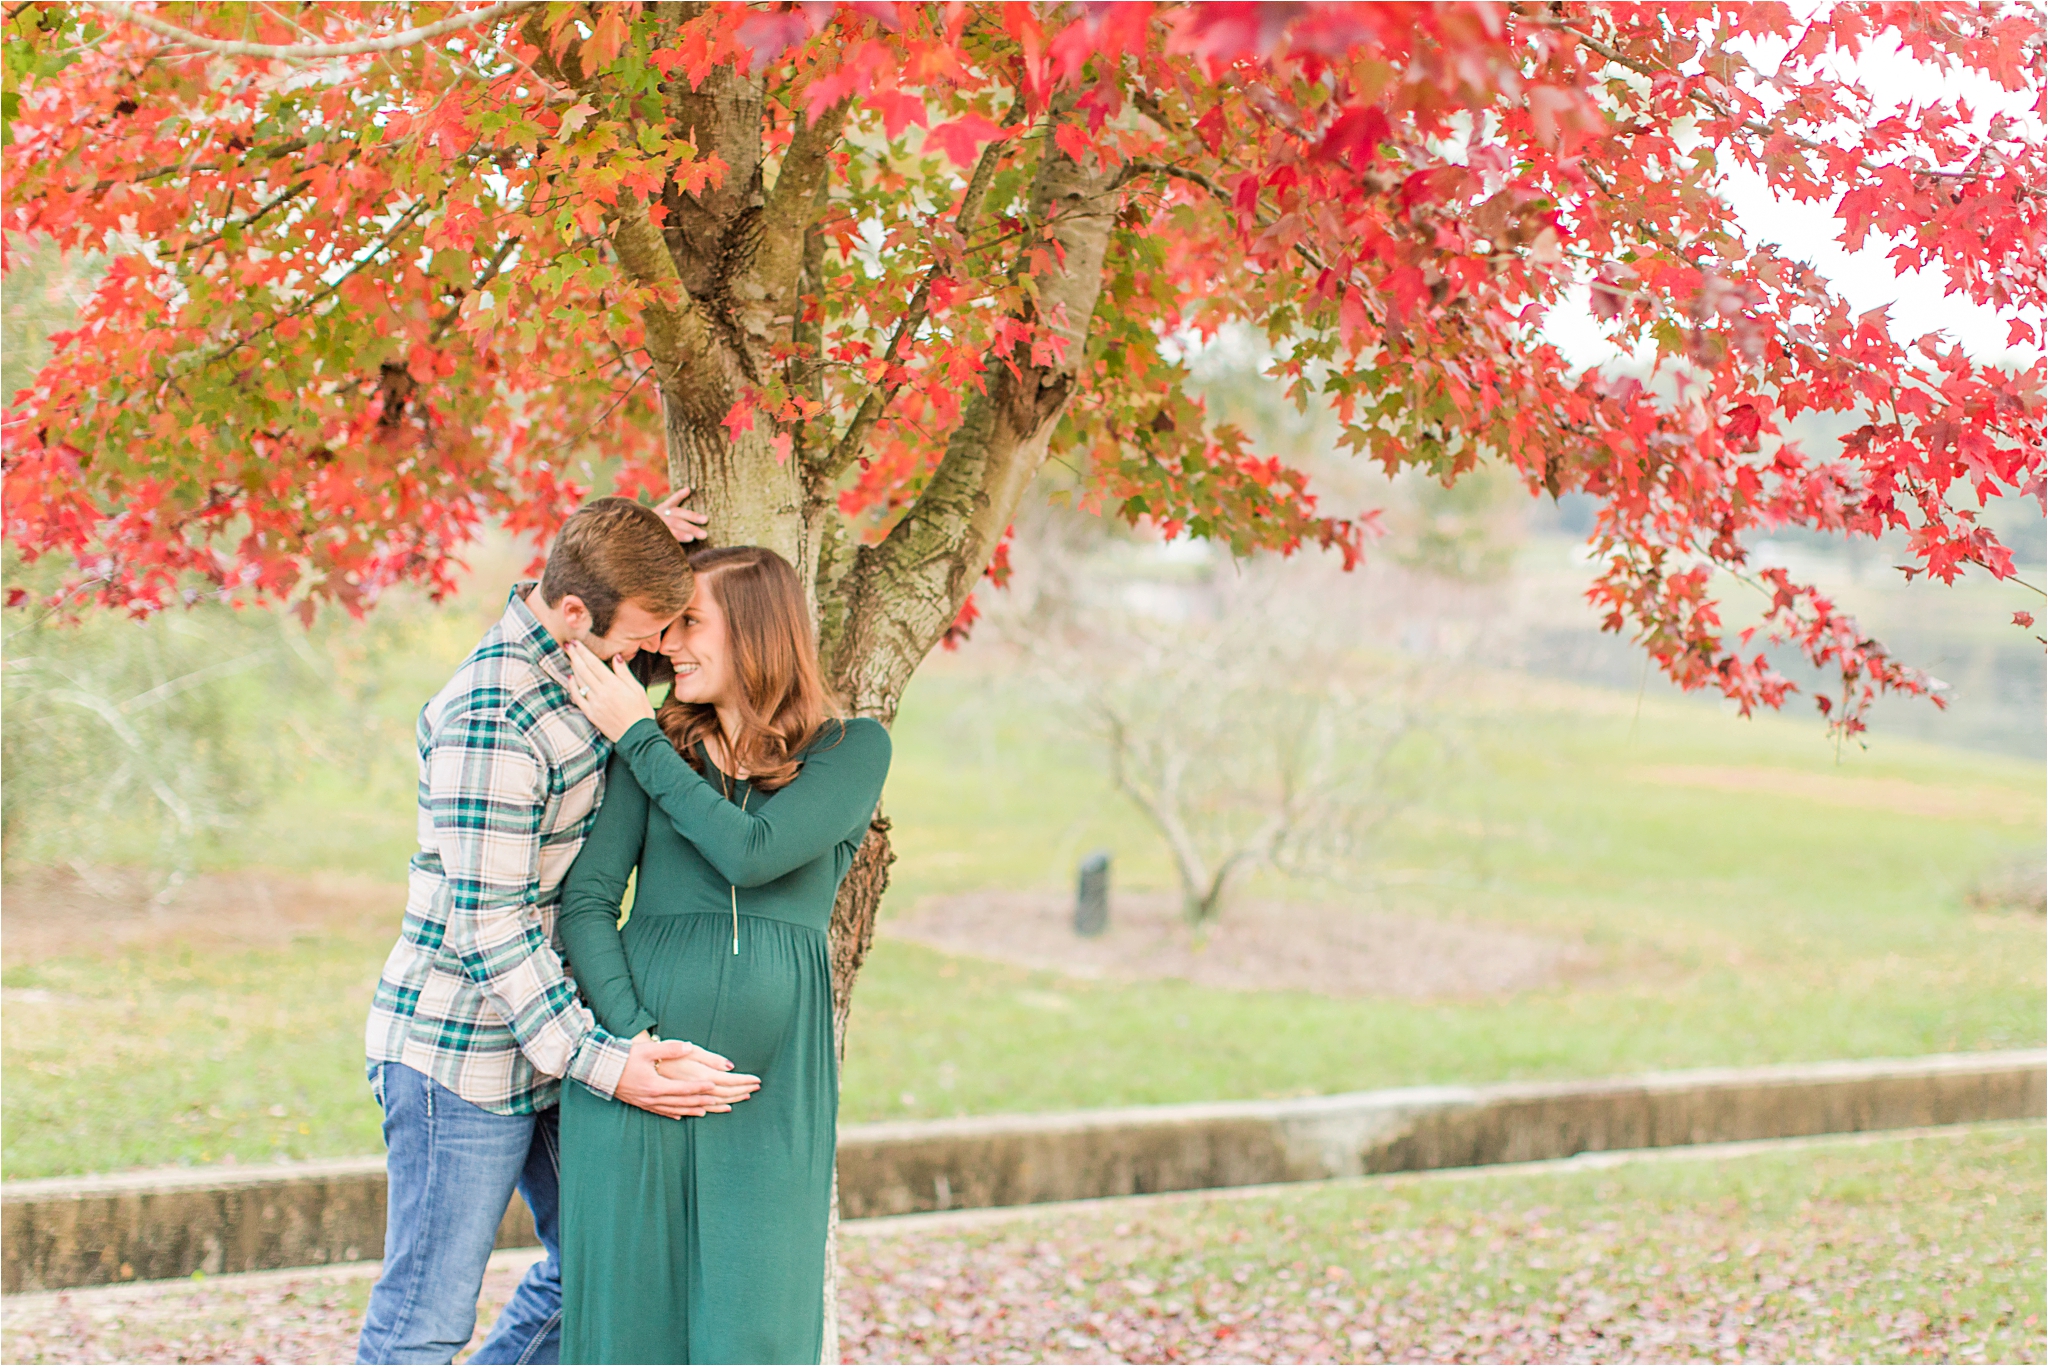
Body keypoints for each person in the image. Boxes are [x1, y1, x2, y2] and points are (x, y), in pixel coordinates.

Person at [357, 494, 761, 1366]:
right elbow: (491, 925)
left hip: (547, 1034)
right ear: (575, 611)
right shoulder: (492, 717)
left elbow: (611, 612)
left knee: (602, 1270)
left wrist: (637, 545)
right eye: (645, 628)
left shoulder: (577, 650)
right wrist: (605, 1062)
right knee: (423, 1325)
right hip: (458, 1051)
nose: (652, 650)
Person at [555, 545, 892, 1365]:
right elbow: (588, 901)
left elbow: (753, 852)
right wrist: (634, 1039)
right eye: (665, 627)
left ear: (756, 629)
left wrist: (637, 739)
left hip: (769, 1089)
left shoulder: (851, 749)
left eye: (689, 624)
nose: (668, 645)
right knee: (626, 1333)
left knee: (754, 1332)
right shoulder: (660, 747)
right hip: (639, 1080)